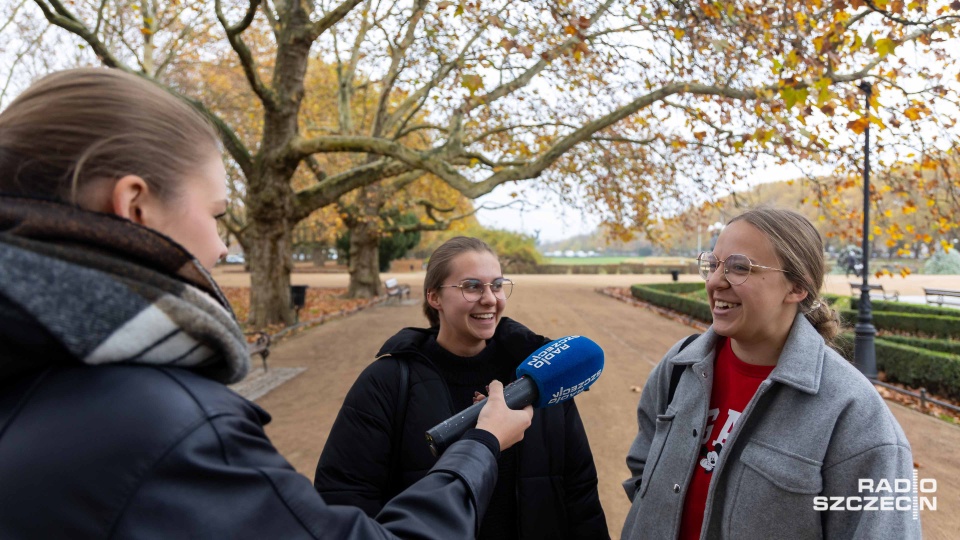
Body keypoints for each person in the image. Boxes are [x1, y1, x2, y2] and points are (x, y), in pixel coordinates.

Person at [0, 68, 534, 538]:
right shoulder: (170, 428)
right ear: (135, 205)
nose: (221, 245)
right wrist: (481, 445)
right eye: (215, 214)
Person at [621, 207, 919, 540]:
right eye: (713, 264)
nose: (716, 281)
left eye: (739, 267)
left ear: (797, 288)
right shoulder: (678, 366)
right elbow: (643, 475)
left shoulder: (854, 415)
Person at [315, 237, 609, 539]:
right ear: (434, 297)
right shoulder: (386, 382)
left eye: (496, 285)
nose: (490, 299)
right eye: (472, 286)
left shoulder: (544, 375)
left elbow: (580, 494)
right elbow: (345, 498)